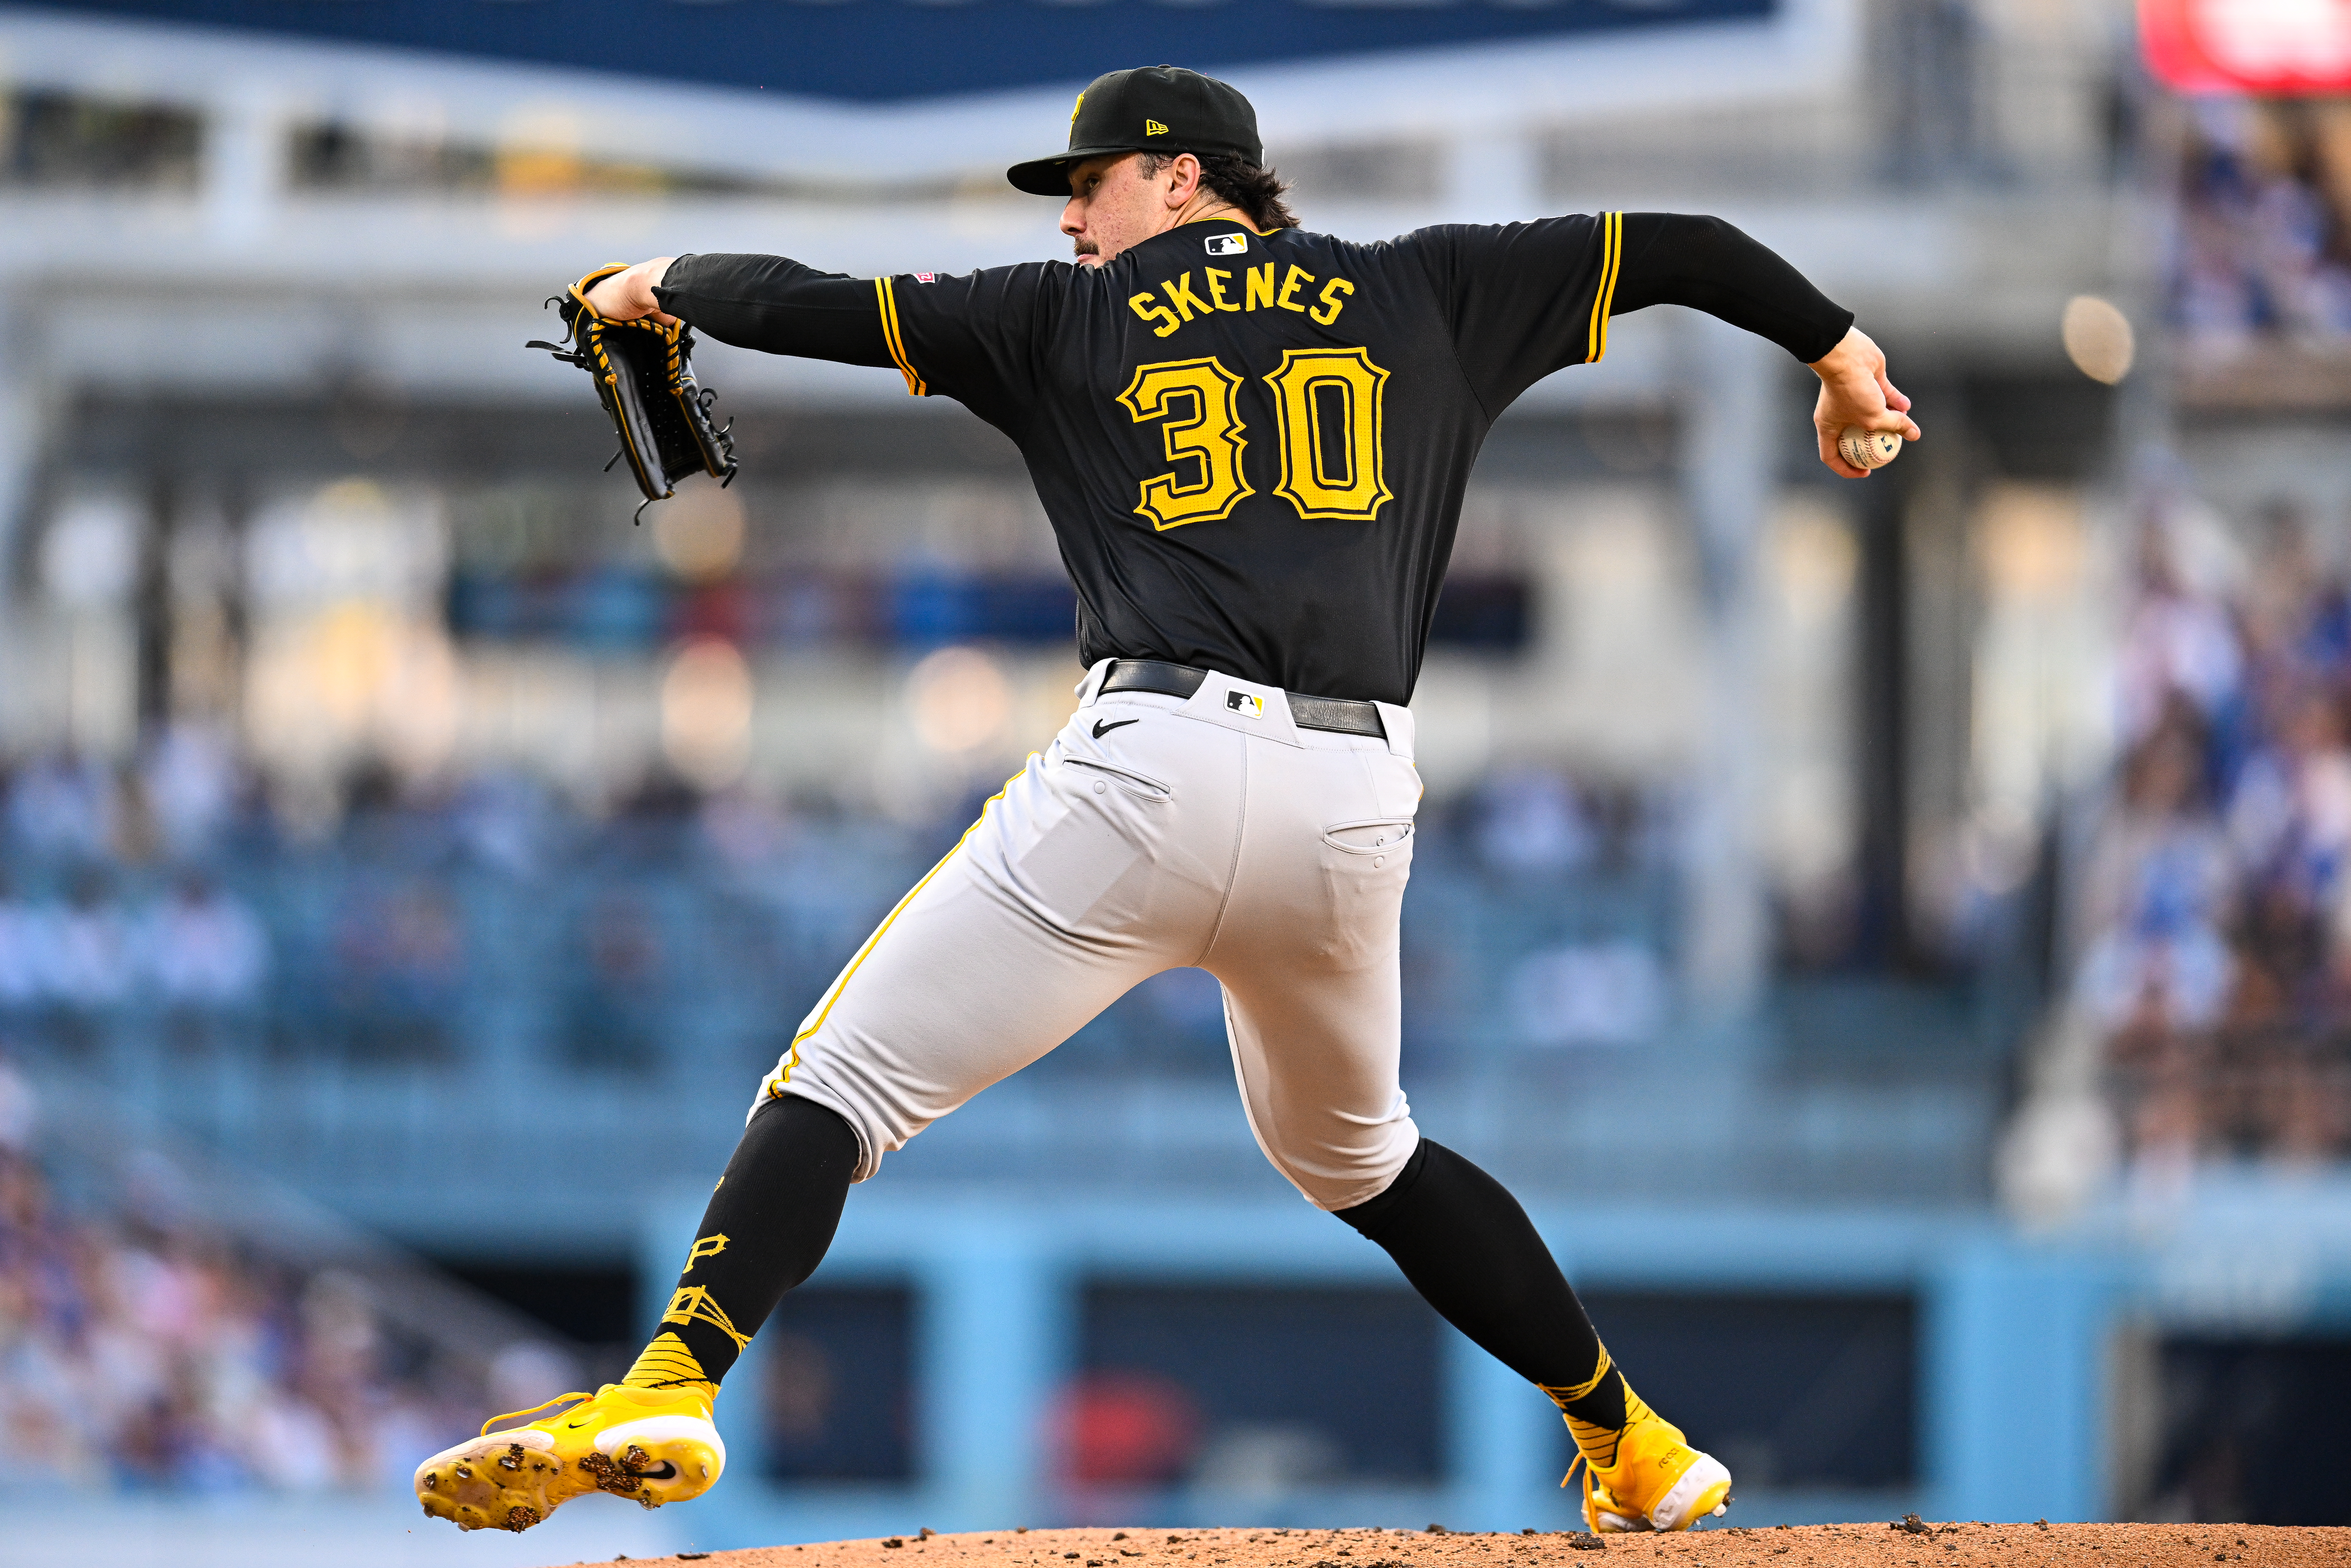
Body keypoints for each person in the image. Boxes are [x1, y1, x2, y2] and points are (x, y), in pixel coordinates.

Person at [413, 64, 1919, 1539]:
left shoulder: (1054, 315)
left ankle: (671, 1382)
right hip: (1351, 801)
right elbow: (1679, 247)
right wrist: (1840, 350)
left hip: (1149, 770)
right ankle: (1634, 1442)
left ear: (1182, 176)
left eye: (1091, 184)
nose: (1072, 219)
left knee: (842, 1087)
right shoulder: (1429, 286)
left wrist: (656, 281)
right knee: (1365, 1157)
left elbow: (807, 301)